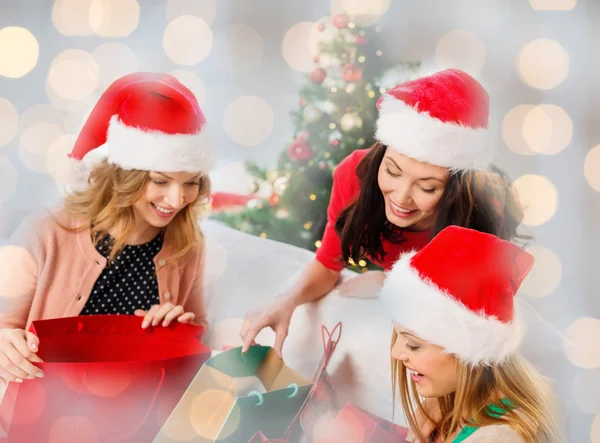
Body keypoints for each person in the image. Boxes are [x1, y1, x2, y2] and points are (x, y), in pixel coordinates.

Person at [240, 68, 527, 357]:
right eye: (392, 171)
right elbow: (328, 265)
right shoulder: (354, 176)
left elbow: (473, 313)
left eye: (427, 188)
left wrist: (396, 282)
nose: (401, 197)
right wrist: (285, 301)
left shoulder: (482, 213)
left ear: (455, 191)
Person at [0, 72, 214, 384]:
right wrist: (5, 343)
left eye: (191, 183)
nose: (177, 199)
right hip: (46, 412)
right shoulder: (46, 232)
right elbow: (5, 325)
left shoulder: (188, 244)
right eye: (160, 181)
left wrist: (178, 331)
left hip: (135, 414)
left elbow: (199, 335)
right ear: (126, 177)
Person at [383, 226, 559, 443]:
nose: (395, 353)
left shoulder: (499, 438)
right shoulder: (447, 405)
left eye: (413, 345)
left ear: (468, 350)